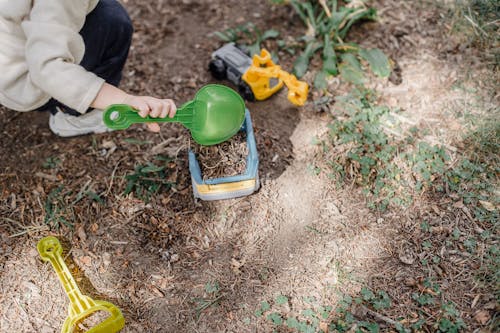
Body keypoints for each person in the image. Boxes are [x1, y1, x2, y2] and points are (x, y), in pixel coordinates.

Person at [0, 0, 176, 137]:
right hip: (21, 79)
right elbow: (47, 69)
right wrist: (125, 101)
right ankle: (75, 117)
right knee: (113, 24)